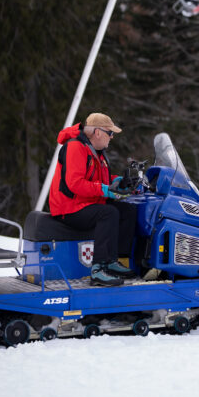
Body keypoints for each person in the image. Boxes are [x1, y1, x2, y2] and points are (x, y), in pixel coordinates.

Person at [49, 112, 137, 286]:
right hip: (68, 207)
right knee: (108, 213)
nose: (111, 138)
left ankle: (113, 261)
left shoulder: (97, 152)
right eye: (110, 133)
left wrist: (118, 182)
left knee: (128, 211)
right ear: (97, 132)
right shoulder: (75, 147)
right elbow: (75, 183)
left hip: (86, 203)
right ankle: (98, 269)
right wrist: (105, 190)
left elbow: (99, 180)